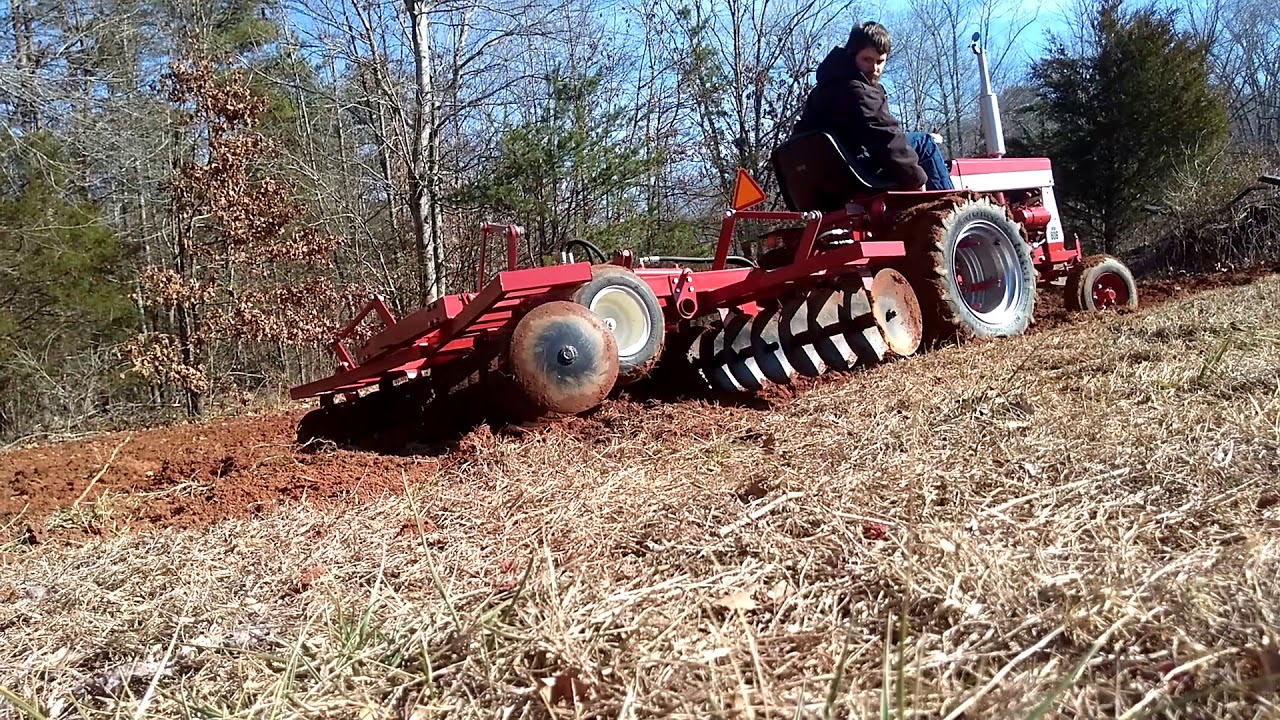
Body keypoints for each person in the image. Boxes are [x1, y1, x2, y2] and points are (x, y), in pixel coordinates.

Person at [791, 21, 954, 192]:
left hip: (831, 175)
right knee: (924, 142)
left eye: (880, 61)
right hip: (855, 172)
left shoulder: (822, 89)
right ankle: (952, 208)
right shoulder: (857, 90)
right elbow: (886, 137)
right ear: (852, 55)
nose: (875, 68)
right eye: (867, 59)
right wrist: (916, 178)